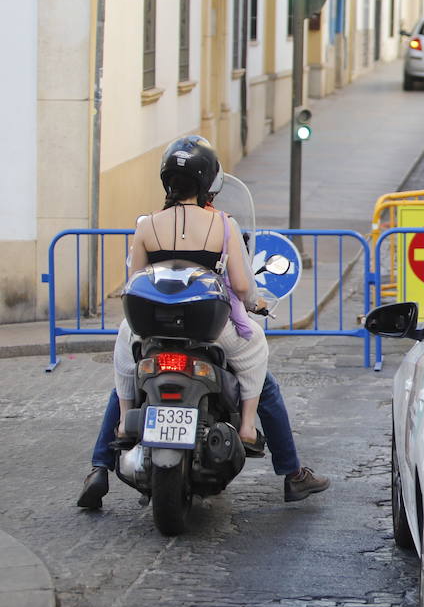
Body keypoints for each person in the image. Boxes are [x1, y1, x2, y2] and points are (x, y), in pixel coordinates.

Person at [76, 137, 328, 508]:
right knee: (260, 367)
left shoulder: (147, 226)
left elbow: (136, 282)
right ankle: (268, 449)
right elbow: (242, 286)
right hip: (208, 329)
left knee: (128, 372)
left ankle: (104, 458)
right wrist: (255, 302)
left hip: (152, 327)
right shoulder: (223, 225)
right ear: (208, 180)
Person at [78, 373, 329, 507]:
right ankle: (292, 473)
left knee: (125, 385)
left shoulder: (146, 276)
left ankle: (99, 468)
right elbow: (241, 288)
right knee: (265, 384)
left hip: (152, 333)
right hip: (207, 333)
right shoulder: (216, 274)